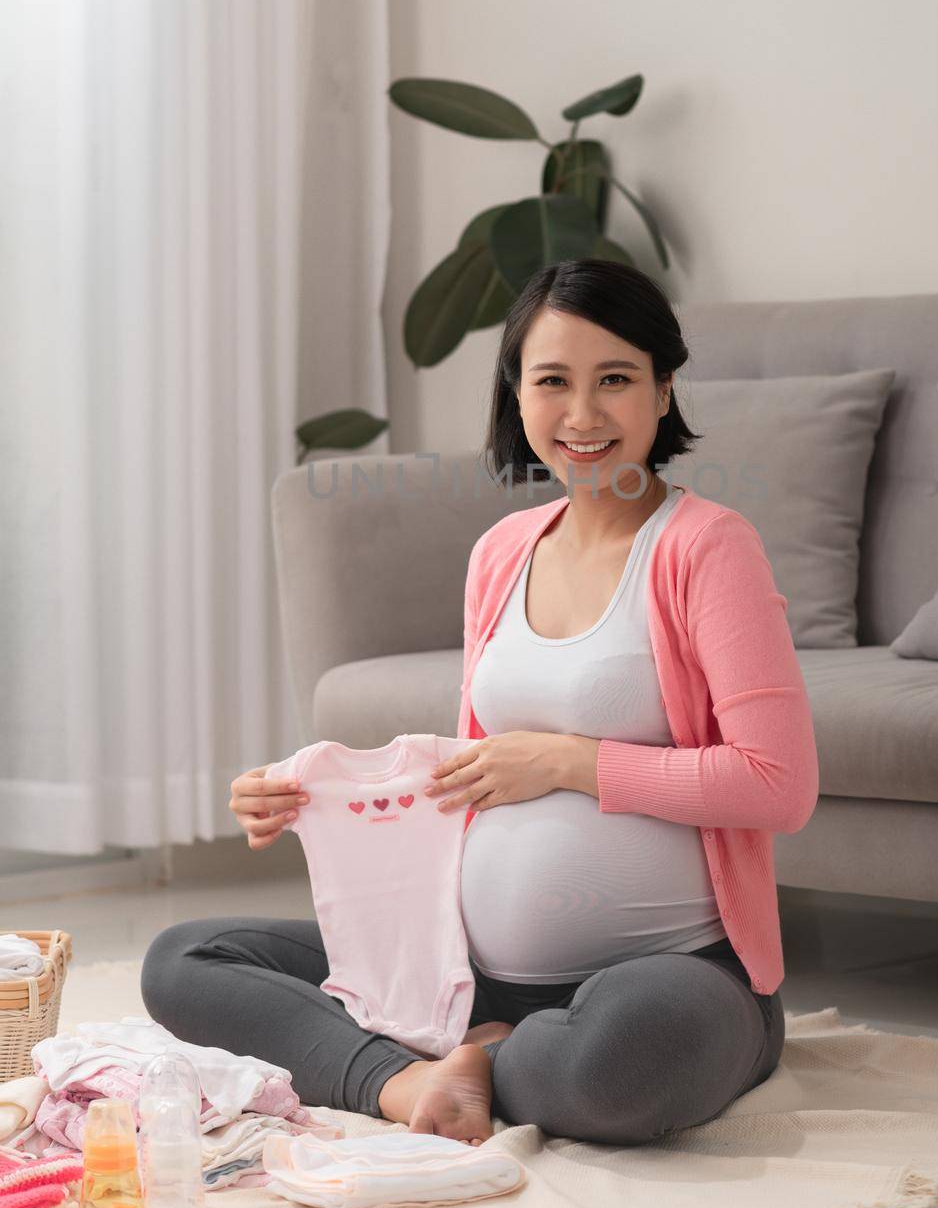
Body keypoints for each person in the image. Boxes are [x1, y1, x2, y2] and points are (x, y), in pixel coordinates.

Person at [141, 257, 817, 1148]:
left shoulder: (706, 547)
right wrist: (317, 794)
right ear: (518, 395)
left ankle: (475, 1060)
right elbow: (471, 775)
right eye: (552, 382)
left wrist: (573, 762)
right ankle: (410, 1078)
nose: (581, 414)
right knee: (183, 960)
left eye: (614, 379)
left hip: (668, 972)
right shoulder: (503, 549)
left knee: (622, 1062)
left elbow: (777, 784)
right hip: (461, 971)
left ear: (663, 391)